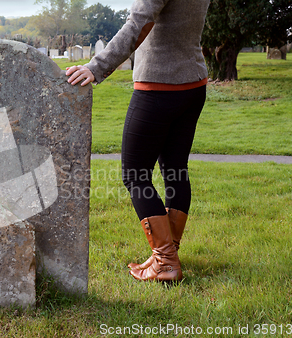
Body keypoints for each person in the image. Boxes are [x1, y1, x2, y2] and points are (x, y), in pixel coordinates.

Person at [66, 0, 210, 282]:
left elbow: (138, 23)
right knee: (176, 170)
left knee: (135, 175)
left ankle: (166, 262)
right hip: (193, 84)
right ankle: (166, 256)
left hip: (159, 86)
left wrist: (97, 67)